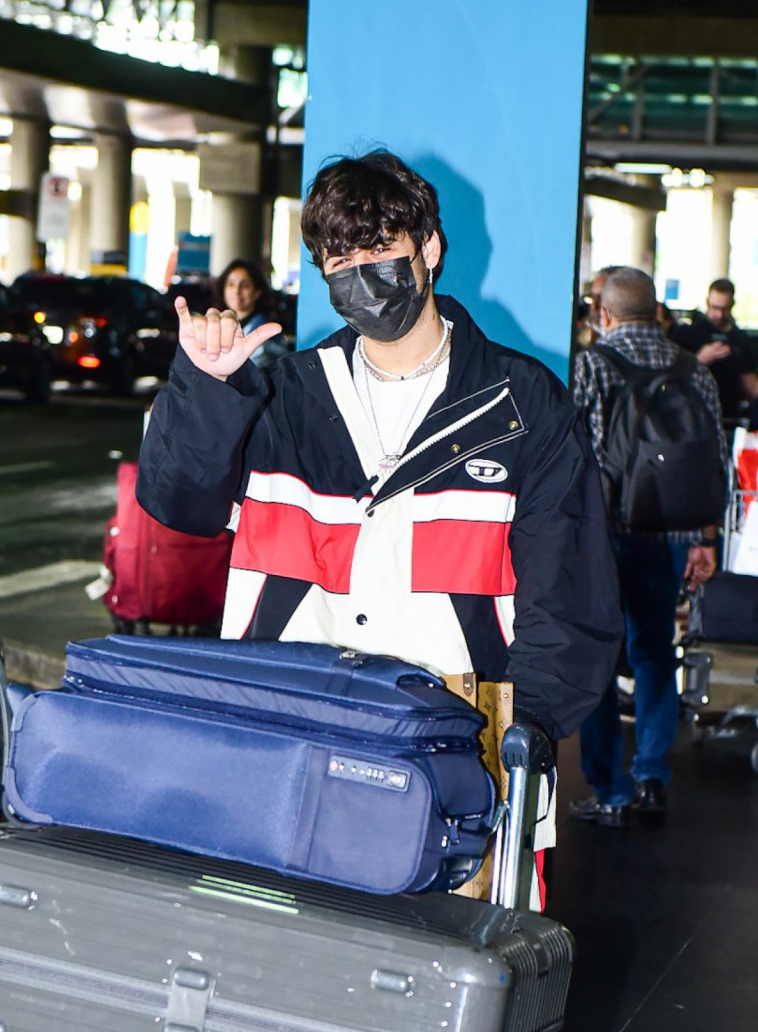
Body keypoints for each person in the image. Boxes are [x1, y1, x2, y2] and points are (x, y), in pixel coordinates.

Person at [137, 150, 623, 880]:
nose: (359, 273)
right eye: (338, 257)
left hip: (459, 758)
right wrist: (205, 390)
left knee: (446, 979)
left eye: (379, 250)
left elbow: (567, 594)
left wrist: (524, 734)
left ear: (428, 249)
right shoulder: (283, 397)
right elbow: (180, 505)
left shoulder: (521, 406)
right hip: (285, 740)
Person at [570, 266, 727, 827]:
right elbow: (716, 460)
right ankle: (653, 775)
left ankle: (610, 790)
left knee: (598, 659)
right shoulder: (693, 370)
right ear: (657, 313)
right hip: (671, 537)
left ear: (604, 314)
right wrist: (706, 537)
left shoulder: (594, 365)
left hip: (606, 536)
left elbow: (577, 455)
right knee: (656, 652)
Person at [672, 277, 758, 424]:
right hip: (691, 414)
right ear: (707, 302)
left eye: (724, 309)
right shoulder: (688, 334)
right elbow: (670, 376)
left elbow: (752, 384)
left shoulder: (741, 340)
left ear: (732, 305)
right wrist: (699, 360)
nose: (719, 315)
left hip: (727, 414)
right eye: (715, 308)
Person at [212, 259, 288, 370]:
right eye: (231, 284)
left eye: (245, 285)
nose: (237, 291)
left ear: (257, 292)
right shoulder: (222, 325)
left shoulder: (266, 333)